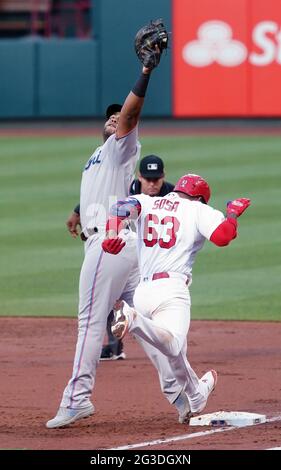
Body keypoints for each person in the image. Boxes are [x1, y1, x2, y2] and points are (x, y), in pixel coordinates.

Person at [46, 24, 180, 428]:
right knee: (142, 321)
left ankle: (77, 398)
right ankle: (184, 392)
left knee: (90, 322)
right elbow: (103, 193)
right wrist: (76, 209)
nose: (114, 120)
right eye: (110, 117)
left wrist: (146, 72)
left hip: (109, 244)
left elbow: (132, 113)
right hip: (123, 245)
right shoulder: (102, 154)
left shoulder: (124, 147)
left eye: (118, 118)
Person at [102, 174, 251, 422]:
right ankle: (133, 319)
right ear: (200, 197)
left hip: (143, 292)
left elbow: (119, 208)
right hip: (171, 291)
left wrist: (110, 235)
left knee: (175, 354)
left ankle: (195, 397)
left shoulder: (147, 201)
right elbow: (223, 237)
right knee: (173, 346)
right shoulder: (198, 209)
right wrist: (233, 215)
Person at [66, 154, 174, 360]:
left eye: (156, 179)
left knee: (148, 302)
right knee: (110, 294)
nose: (152, 184)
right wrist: (78, 211)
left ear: (163, 177)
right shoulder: (130, 189)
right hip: (133, 248)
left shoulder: (171, 194)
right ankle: (116, 346)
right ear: (139, 177)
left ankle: (169, 344)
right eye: (148, 179)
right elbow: (103, 198)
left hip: (155, 254)